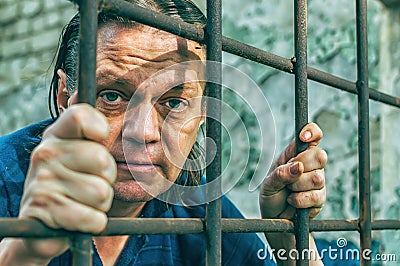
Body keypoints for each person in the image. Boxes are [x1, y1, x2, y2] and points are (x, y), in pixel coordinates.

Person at [0, 0, 327, 265]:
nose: (142, 133)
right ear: (63, 98)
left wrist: (292, 240)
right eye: (111, 96)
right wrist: (24, 253)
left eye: (174, 102)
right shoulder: (7, 178)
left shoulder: (196, 203)